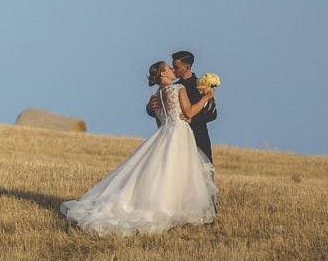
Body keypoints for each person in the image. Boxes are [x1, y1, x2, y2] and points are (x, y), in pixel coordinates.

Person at [60, 61, 217, 235]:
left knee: (164, 172)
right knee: (177, 172)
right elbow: (188, 113)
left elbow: (160, 122)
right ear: (163, 74)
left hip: (165, 134)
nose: (173, 70)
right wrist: (206, 97)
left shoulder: (157, 96)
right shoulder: (178, 88)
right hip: (179, 133)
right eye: (169, 68)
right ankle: (170, 209)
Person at [147, 50, 217, 162]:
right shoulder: (172, 88)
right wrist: (149, 107)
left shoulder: (201, 86)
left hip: (199, 139)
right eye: (172, 67)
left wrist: (192, 119)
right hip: (176, 140)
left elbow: (212, 114)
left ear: (187, 68)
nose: (173, 70)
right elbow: (162, 111)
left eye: (176, 67)